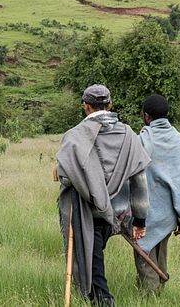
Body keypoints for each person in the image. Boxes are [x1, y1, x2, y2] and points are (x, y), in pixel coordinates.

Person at [56, 84, 150, 306]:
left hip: (87, 211)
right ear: (110, 104)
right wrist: (140, 220)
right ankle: (95, 294)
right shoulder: (129, 135)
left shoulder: (73, 136)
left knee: (91, 253)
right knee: (96, 251)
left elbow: (67, 178)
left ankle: (103, 299)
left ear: (85, 107)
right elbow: (140, 182)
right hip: (118, 214)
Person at [135, 95, 180, 294]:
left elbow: (131, 178)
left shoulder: (142, 140)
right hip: (169, 215)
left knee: (145, 256)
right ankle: (157, 293)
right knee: (160, 254)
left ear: (146, 117)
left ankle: (148, 296)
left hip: (145, 214)